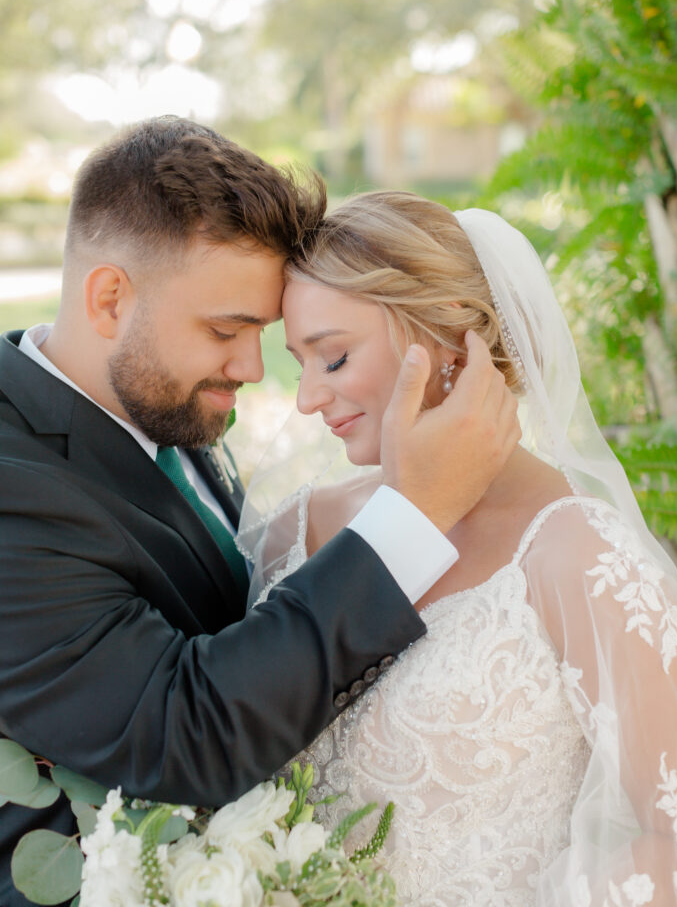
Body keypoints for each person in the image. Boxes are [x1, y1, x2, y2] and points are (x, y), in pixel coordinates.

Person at [0, 120, 521, 906]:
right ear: (109, 297)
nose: (250, 368)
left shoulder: (162, 407)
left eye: (262, 335)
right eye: (224, 331)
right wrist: (413, 514)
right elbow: (183, 730)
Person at [240, 191, 677, 906]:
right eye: (299, 364)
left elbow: (667, 832)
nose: (307, 400)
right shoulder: (293, 535)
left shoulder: (577, 554)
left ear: (450, 338)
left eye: (334, 357)